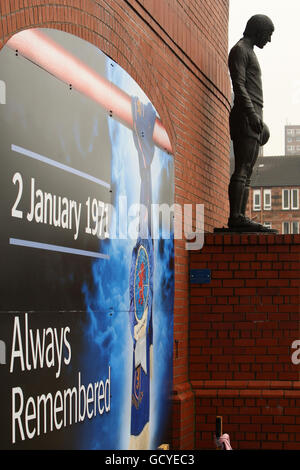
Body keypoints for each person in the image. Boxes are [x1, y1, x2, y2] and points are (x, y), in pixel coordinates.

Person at [228, 14, 275, 232]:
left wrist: (259, 118)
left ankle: (241, 216)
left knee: (248, 171)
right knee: (243, 168)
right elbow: (239, 86)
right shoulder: (240, 50)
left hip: (253, 115)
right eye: (268, 35)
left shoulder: (250, 52)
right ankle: (236, 217)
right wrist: (251, 114)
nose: (269, 40)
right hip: (245, 116)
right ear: (257, 31)